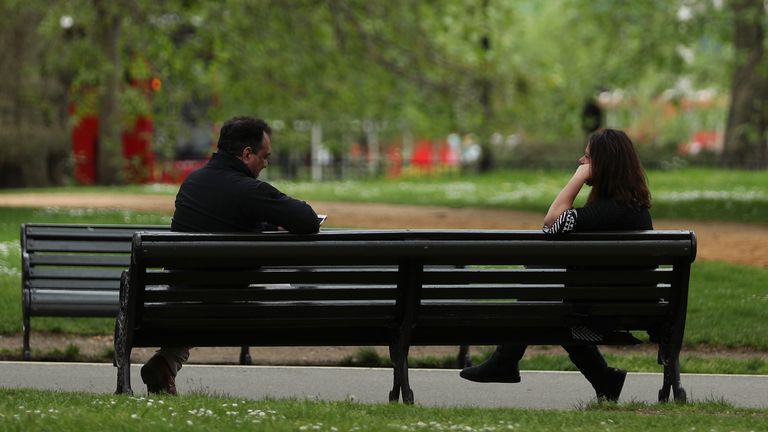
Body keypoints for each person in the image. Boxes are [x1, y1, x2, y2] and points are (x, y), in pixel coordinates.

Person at [459, 128, 653, 402]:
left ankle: (505, 360)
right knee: (545, 285)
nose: (580, 162)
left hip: (602, 318)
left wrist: (578, 178)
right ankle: (603, 379)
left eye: (587, 158)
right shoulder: (631, 208)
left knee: (545, 292)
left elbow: (551, 223)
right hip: (623, 309)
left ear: (603, 164)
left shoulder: (609, 211)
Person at [140, 116, 321, 395]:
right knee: (282, 283)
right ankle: (166, 363)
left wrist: (268, 225)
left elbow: (224, 218)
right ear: (247, 154)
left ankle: (166, 362)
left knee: (202, 298)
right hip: (230, 302)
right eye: (264, 157)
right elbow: (308, 220)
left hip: (179, 294)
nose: (265, 164)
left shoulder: (193, 183)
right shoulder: (249, 190)